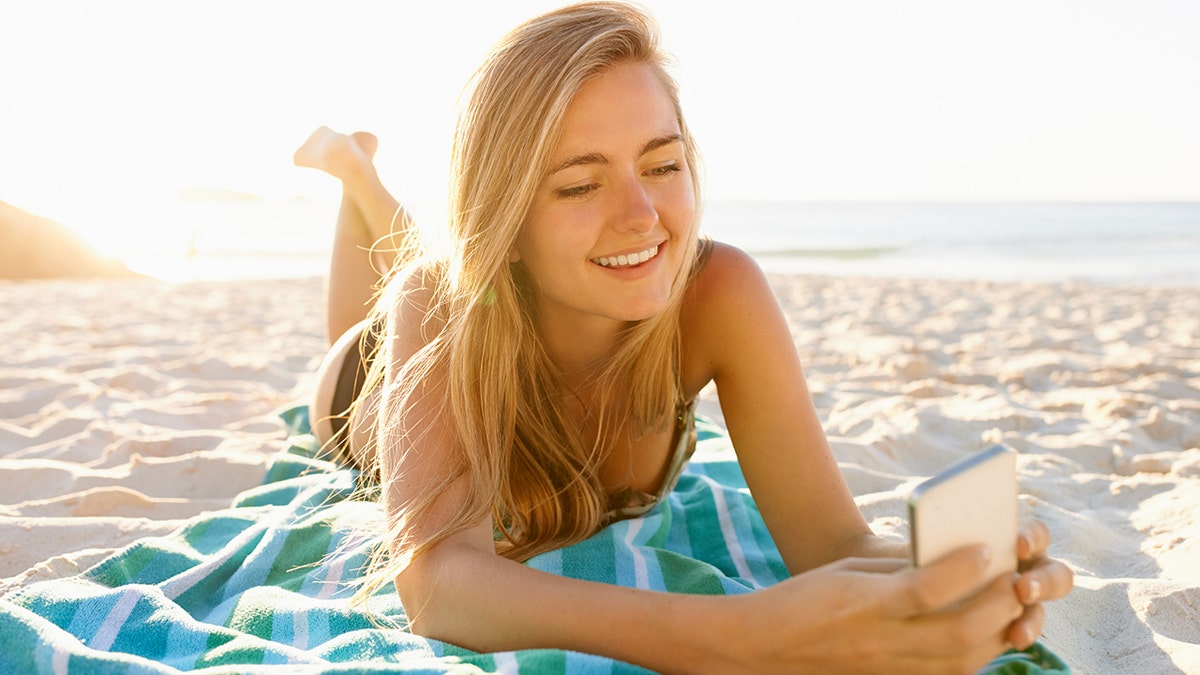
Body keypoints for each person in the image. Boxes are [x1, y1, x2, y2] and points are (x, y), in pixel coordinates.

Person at [295, 3, 1073, 672]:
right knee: (396, 297)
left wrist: (959, 572)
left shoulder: (719, 292)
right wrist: (739, 637)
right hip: (361, 383)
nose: (643, 216)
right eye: (579, 182)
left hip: (479, 289)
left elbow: (834, 545)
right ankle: (355, 176)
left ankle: (361, 172)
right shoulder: (442, 304)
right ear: (509, 216)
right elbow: (437, 580)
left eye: (661, 164)